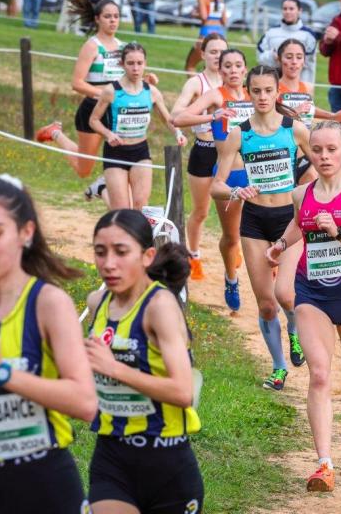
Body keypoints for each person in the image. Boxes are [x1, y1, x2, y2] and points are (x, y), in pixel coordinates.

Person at [0, 176, 97, 513]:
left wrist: (3, 373)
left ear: (25, 232)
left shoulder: (48, 304)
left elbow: (85, 402)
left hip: (40, 479)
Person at [265, 121, 341, 492]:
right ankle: (324, 464)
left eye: (332, 149)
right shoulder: (302, 194)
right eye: (317, 150)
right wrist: (281, 246)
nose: (324, 156)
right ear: (309, 153)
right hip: (312, 292)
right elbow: (299, 226)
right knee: (319, 374)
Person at [86, 209, 204, 513]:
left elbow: (183, 392)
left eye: (121, 252)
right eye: (100, 252)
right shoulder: (97, 304)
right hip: (111, 456)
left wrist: (114, 368)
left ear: (147, 256)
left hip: (166, 461)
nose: (108, 264)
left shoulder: (159, 306)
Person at [210, 66, 313, 391]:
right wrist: (236, 191)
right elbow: (217, 186)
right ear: (248, 94)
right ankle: (279, 367)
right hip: (253, 220)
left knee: (286, 294)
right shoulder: (239, 134)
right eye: (256, 91)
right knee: (267, 302)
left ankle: (295, 330)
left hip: (289, 219)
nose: (263, 96)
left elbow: (323, 166)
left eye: (269, 90)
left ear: (276, 93)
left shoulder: (294, 130)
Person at [35, 0, 137, 201]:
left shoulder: (123, 47)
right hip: (92, 109)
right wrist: (105, 94)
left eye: (116, 16)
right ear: (97, 19)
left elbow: (129, 77)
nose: (113, 21)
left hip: (118, 112)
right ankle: (56, 133)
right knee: (84, 168)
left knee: (125, 158)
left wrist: (145, 79)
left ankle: (106, 185)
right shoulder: (92, 46)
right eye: (108, 16)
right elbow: (77, 83)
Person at [173, 48, 252, 312]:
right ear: (221, 70)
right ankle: (231, 278)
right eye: (226, 66)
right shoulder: (216, 95)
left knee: (269, 229)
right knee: (231, 236)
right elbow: (178, 118)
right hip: (228, 174)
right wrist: (212, 116)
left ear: (244, 69)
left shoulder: (257, 94)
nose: (231, 70)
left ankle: (272, 277)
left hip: (259, 173)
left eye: (237, 65)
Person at [88, 42, 186, 210]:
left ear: (145, 64)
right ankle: (102, 188)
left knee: (141, 205)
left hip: (140, 151)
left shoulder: (152, 92)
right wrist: (108, 134)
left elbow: (167, 119)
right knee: (122, 209)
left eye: (139, 63)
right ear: (122, 64)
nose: (135, 68)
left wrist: (178, 133)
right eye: (130, 63)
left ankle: (136, 235)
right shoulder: (111, 91)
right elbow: (93, 120)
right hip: (115, 152)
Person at [171, 33, 227, 281]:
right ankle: (193, 254)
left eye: (221, 52)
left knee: (235, 205)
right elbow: (176, 113)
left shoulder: (235, 81)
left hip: (229, 153)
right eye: (212, 51)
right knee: (202, 211)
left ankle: (233, 245)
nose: (217, 56)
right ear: (202, 54)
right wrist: (206, 118)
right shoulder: (197, 83)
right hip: (204, 151)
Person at [276, 38, 341, 184]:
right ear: (280, 59)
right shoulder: (273, 88)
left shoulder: (307, 87)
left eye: (299, 57)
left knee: (309, 190)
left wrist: (333, 116)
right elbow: (267, 119)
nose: (294, 62)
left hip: (306, 153)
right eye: (289, 57)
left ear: (304, 61)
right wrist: (292, 113)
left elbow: (309, 109)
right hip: (281, 154)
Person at [256, 0, 318, 85]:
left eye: (291, 9)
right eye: (285, 9)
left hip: (300, 86)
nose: (288, 12)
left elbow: (308, 62)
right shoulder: (271, 32)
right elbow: (260, 57)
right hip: (274, 84)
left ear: (299, 11)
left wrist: (288, 58)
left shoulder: (308, 35)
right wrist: (272, 56)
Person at [185, 0, 226, 74]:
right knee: (215, 69)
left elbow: (204, 16)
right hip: (220, 34)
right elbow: (224, 20)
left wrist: (194, 14)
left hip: (206, 33)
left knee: (190, 66)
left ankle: (195, 90)